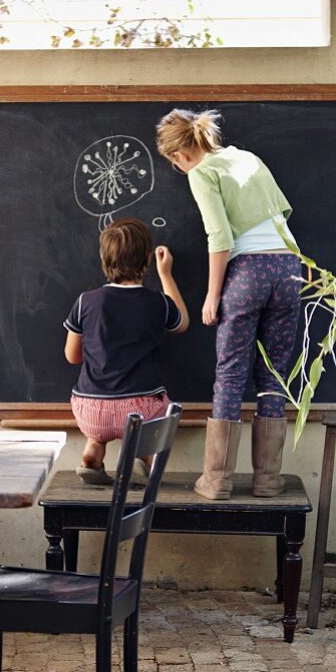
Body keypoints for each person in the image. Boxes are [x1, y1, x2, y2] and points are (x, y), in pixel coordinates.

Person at [155, 108, 301, 501]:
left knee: (232, 373)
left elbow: (220, 238)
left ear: (177, 157)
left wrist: (211, 296)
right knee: (274, 374)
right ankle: (268, 479)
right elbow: (281, 213)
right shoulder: (246, 157)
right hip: (290, 269)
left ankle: (217, 480)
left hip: (248, 273)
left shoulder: (201, 173)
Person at [64, 217, 189, 485]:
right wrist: (165, 274)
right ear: (147, 260)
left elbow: (72, 356)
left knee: (98, 431)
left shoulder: (86, 301)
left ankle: (92, 452)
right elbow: (182, 324)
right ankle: (142, 456)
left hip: (90, 410)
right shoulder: (157, 302)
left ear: (104, 259)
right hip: (139, 412)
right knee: (160, 414)